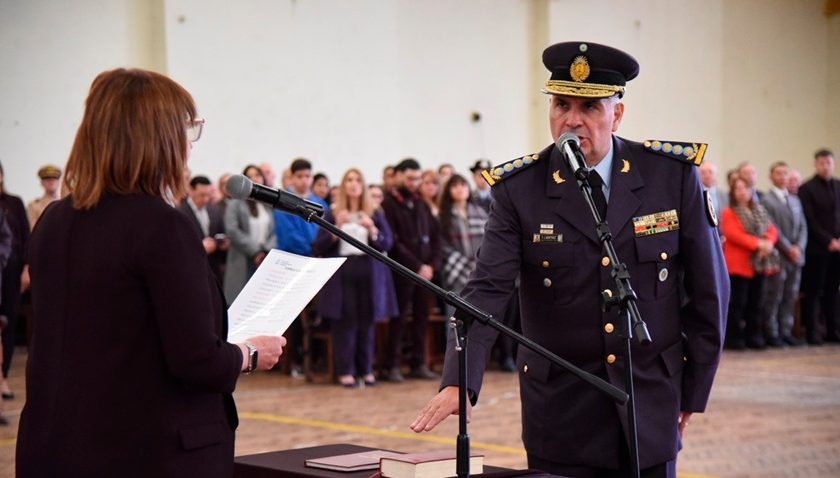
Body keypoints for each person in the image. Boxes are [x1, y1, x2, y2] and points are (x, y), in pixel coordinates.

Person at [411, 42, 728, 477]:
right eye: (561, 104)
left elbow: (710, 290)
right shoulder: (519, 189)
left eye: (590, 106)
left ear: (617, 114)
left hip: (650, 398)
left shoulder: (669, 176)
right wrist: (459, 378)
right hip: (561, 410)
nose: (572, 120)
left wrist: (693, 390)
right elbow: (486, 290)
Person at [16, 68, 285, 477]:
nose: (190, 144)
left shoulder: (54, 220)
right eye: (187, 128)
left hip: (60, 442)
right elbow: (196, 361)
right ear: (159, 136)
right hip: (147, 448)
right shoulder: (161, 225)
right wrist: (249, 354)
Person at [312, 169, 398, 387]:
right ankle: (345, 370)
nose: (353, 184)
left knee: (367, 321)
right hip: (342, 272)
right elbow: (318, 246)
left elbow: (387, 243)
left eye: (358, 180)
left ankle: (366, 369)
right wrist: (335, 229)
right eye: (349, 180)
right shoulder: (332, 211)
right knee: (345, 322)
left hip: (368, 270)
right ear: (343, 185)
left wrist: (372, 228)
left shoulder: (374, 212)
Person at [381, 158, 441, 382]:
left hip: (425, 272)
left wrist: (431, 265)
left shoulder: (421, 204)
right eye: (409, 178)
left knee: (421, 317)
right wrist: (417, 266)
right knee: (398, 319)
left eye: (417, 178)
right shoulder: (389, 205)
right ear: (397, 176)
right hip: (402, 271)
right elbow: (394, 242)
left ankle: (418, 362)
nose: (414, 183)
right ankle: (392, 365)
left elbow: (436, 237)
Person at [721, 176, 778, 350]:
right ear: (732, 192)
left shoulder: (759, 210)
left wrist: (768, 243)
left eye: (744, 188)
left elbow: (771, 230)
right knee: (738, 304)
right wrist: (758, 244)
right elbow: (733, 234)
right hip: (738, 264)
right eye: (737, 189)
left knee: (756, 303)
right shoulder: (728, 212)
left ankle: (754, 336)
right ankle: (735, 338)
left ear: (751, 190)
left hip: (759, 263)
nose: (741, 192)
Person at [760, 162, 806, 347]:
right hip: (778, 255)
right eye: (778, 173)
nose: (782, 177)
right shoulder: (766, 200)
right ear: (771, 176)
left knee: (790, 294)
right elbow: (772, 227)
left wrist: (798, 247)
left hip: (796, 256)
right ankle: (772, 332)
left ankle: (786, 331)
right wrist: (788, 248)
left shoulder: (795, 200)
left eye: (785, 173)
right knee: (774, 295)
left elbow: (803, 227)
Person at [798, 149, 840, 344]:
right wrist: (828, 241)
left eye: (829, 163)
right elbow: (809, 219)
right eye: (822, 163)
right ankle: (813, 333)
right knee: (814, 292)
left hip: (837, 248)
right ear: (815, 164)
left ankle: (833, 331)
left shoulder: (838, 185)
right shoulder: (806, 189)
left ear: (833, 163)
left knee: (833, 291)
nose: (825, 166)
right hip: (817, 249)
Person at [224, 165, 277, 303]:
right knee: (240, 300)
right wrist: (255, 251)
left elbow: (274, 231)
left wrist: (265, 251)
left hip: (264, 258)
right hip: (242, 257)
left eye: (257, 175)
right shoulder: (235, 203)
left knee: (261, 301)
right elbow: (232, 230)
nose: (254, 179)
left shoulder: (268, 204)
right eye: (250, 176)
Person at [0, 161, 29, 401]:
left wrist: (26, 269)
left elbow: (26, 236)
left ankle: (4, 378)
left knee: (7, 323)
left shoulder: (14, 202)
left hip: (11, 270)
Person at [178, 175, 229, 281]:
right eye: (202, 195)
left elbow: (221, 233)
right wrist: (200, 247)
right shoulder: (180, 213)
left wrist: (220, 243)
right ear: (191, 190)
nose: (206, 199)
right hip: (191, 269)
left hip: (213, 269)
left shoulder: (214, 210)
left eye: (208, 195)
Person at [26, 165, 62, 229]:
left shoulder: (66, 204)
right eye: (48, 179)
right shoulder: (34, 206)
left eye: (54, 178)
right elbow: (33, 229)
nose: (51, 182)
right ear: (42, 183)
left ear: (59, 182)